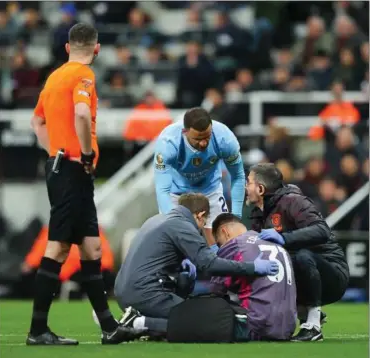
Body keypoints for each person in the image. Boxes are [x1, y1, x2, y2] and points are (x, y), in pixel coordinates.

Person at [27, 23, 140, 345]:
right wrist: (85, 154)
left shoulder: (54, 77)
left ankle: (109, 328)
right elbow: (81, 115)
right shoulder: (83, 76)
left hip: (63, 167)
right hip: (74, 169)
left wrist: (53, 152)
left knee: (91, 247)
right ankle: (37, 331)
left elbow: (37, 121)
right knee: (59, 246)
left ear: (66, 48)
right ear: (97, 48)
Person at [114, 193, 279, 336]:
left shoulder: (157, 219)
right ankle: (138, 323)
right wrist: (253, 267)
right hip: (145, 294)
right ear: (200, 215)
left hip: (125, 292)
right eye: (204, 221)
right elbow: (209, 264)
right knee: (203, 321)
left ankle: (139, 321)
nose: (202, 228)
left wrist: (180, 268)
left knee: (187, 306)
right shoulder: (182, 226)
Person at [247, 163, 349, 342]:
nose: (246, 187)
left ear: (261, 188)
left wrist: (284, 237)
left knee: (302, 256)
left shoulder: (293, 201)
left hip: (331, 273)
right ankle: (301, 311)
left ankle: (313, 325)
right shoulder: (259, 213)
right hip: (301, 272)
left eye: (249, 182)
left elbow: (322, 231)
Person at [154, 107, 245, 246]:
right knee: (174, 241)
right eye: (198, 139)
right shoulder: (168, 144)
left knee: (226, 240)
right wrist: (171, 224)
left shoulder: (225, 139)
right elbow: (162, 190)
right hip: (176, 193)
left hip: (210, 190)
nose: (203, 143)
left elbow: (238, 176)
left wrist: (236, 217)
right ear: (185, 132)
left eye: (207, 137)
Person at [211, 213, 297, 341]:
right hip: (287, 328)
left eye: (219, 243)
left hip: (255, 327)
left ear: (225, 232)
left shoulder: (234, 245)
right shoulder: (276, 243)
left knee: (209, 304)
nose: (220, 247)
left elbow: (215, 290)